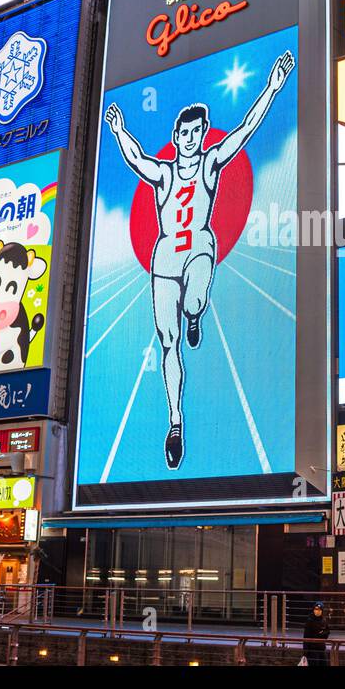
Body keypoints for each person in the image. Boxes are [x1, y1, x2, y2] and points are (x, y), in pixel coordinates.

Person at [103, 50, 294, 470]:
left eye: (197, 131)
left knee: (195, 291)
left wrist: (272, 87)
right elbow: (136, 159)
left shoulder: (210, 163)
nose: (190, 138)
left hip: (199, 247)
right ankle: (175, 423)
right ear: (176, 136)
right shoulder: (165, 174)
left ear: (203, 132)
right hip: (166, 257)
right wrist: (118, 130)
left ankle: (196, 313)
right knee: (168, 343)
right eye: (184, 132)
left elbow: (245, 130)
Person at [302, 601, 330, 667]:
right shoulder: (310, 620)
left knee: (324, 663)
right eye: (316, 609)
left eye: (319, 610)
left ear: (322, 611)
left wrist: (322, 633)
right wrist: (305, 652)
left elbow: (327, 632)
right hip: (312, 649)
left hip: (322, 648)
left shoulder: (324, 620)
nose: (317, 611)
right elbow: (306, 636)